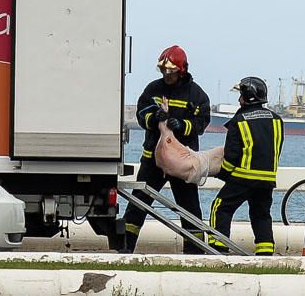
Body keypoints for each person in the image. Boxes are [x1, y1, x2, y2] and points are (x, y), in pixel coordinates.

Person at [121, 45, 210, 254]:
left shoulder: (197, 95)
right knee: (138, 204)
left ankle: (195, 252)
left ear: (181, 70)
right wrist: (154, 119)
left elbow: (201, 123)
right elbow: (142, 115)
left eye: (170, 72)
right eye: (163, 72)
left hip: (181, 162)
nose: (166, 76)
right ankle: (124, 248)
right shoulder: (153, 89)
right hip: (153, 160)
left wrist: (182, 125)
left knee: (189, 209)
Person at [208, 77, 284, 256]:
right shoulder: (276, 120)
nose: (239, 99)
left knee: (221, 206)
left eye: (241, 95)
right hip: (267, 180)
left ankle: (218, 246)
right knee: (261, 214)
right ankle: (265, 252)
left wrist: (223, 174)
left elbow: (232, 155)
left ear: (248, 97)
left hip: (243, 177)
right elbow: (276, 149)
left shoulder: (239, 120)